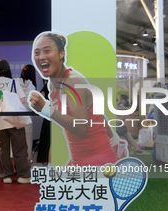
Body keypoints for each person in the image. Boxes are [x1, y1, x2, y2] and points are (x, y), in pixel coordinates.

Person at [29, 32, 118, 166]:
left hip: (97, 162)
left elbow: (82, 128)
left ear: (61, 54)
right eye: (37, 52)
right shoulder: (53, 83)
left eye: (47, 51)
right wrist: (115, 142)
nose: (41, 57)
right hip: (79, 160)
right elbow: (97, 113)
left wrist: (46, 109)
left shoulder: (72, 81)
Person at [0, 59, 30, 184]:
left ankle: (6, 175)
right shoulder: (13, 82)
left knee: (3, 150)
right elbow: (22, 100)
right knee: (19, 148)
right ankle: (23, 175)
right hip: (14, 120)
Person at [15, 64, 36, 165]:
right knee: (28, 142)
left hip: (16, 117)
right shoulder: (32, 87)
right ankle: (27, 163)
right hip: (28, 118)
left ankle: (16, 165)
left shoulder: (15, 83)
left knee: (16, 143)